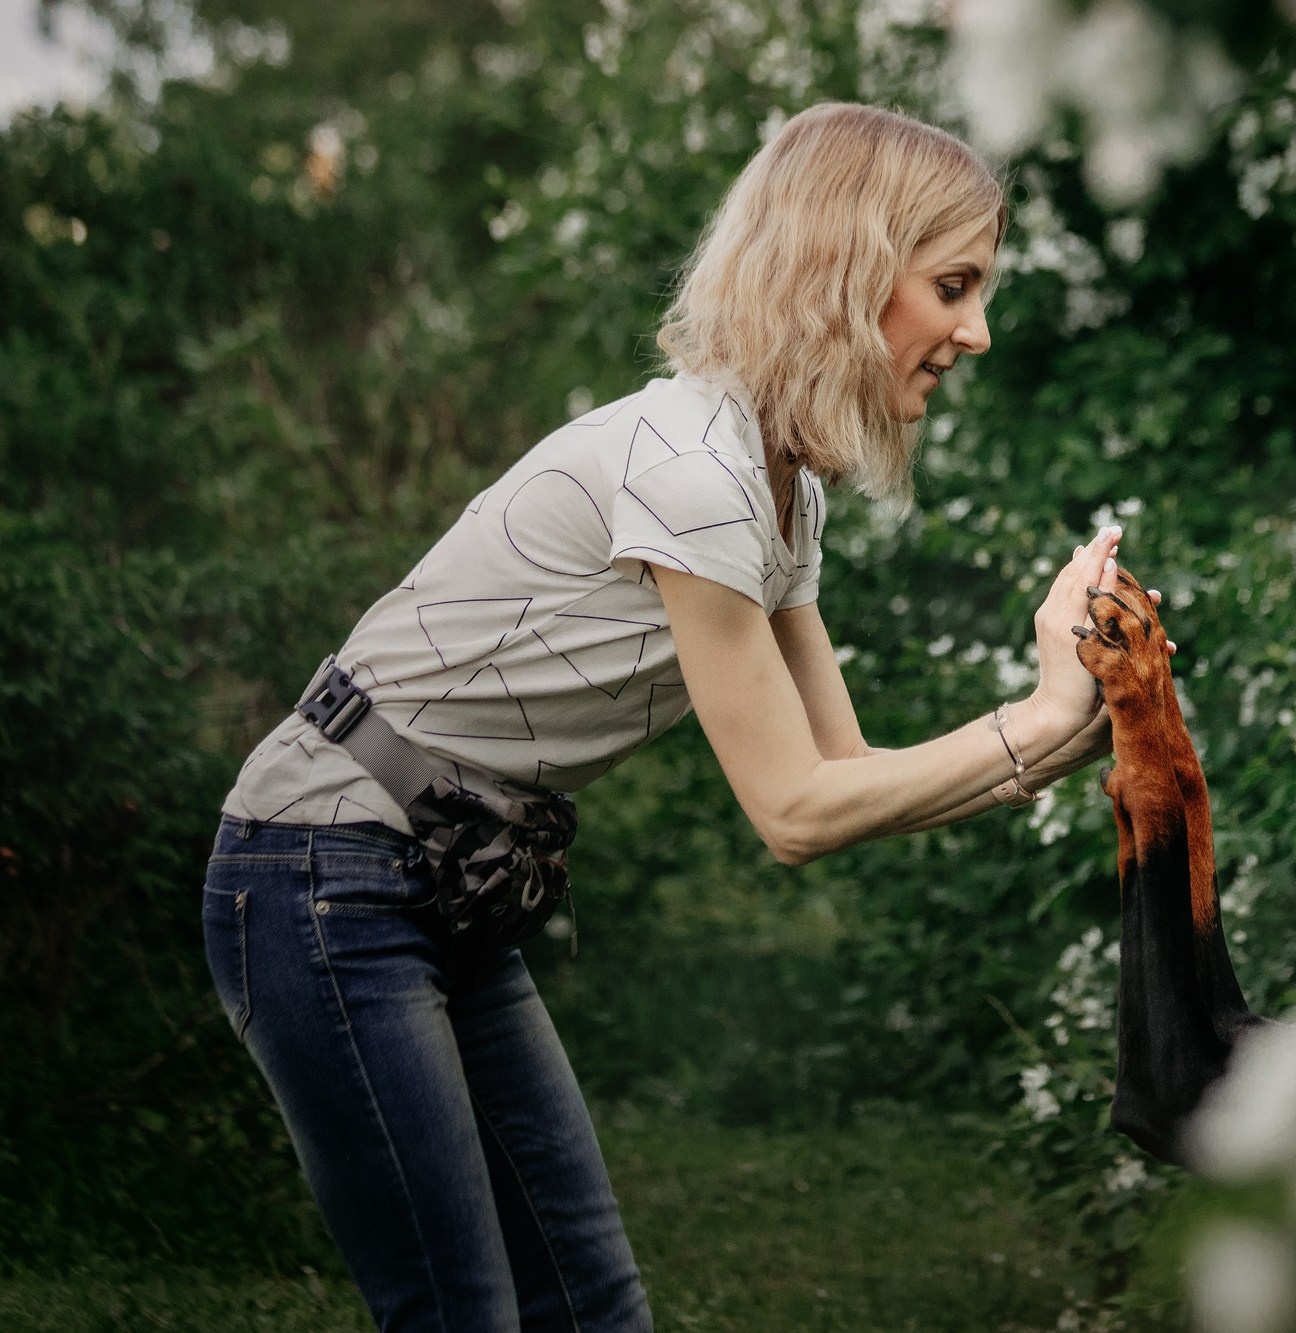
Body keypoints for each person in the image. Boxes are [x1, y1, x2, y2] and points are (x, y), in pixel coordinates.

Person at [202, 102, 1133, 1332]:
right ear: (845, 272)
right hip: (320, 865)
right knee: (462, 1310)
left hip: (446, 880)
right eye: (951, 287)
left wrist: (1079, 721)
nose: (977, 330)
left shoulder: (782, 488)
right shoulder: (692, 473)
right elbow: (795, 812)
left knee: (592, 1306)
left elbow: (845, 768)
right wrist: (1037, 711)